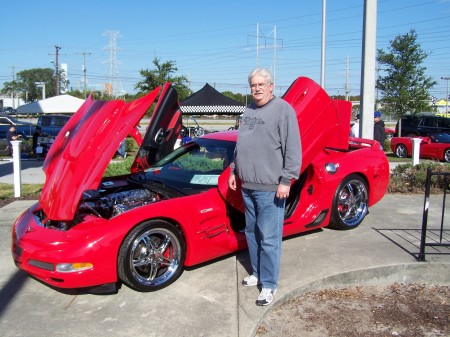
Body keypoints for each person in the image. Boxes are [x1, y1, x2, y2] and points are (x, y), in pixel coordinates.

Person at [228, 68, 302, 306]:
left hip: (271, 187)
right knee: (252, 233)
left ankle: (269, 285)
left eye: (261, 84)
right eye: (253, 85)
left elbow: (293, 149)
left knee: (269, 238)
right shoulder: (248, 110)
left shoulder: (283, 110)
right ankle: (257, 272)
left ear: (271, 86)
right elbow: (241, 144)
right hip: (247, 185)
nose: (256, 88)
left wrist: (286, 180)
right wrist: (233, 170)